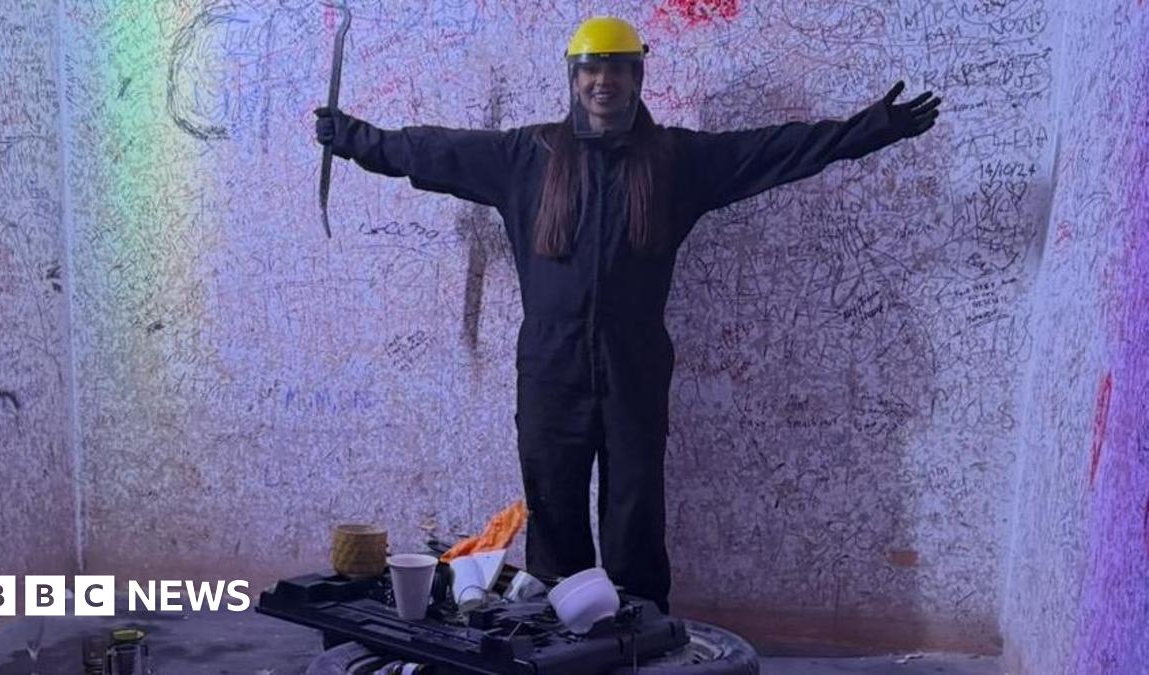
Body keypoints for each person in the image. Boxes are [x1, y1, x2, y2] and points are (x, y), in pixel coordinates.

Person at [315, 16, 940, 615]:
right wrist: (352, 138)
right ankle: (560, 630)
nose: (603, 81)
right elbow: (431, 151)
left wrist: (868, 129)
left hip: (634, 366)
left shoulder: (674, 160)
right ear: (574, 77)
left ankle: (639, 628)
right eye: (591, 69)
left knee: (635, 507)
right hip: (550, 368)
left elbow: (772, 151)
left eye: (617, 69)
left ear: (637, 78)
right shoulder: (527, 156)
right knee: (552, 504)